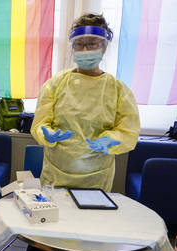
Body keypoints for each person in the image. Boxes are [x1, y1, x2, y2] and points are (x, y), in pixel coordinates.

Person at [30, 13, 140, 192]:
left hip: (96, 178)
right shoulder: (55, 84)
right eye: (80, 44)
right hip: (56, 175)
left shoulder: (118, 90)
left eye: (92, 43)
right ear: (73, 47)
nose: (85, 49)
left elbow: (129, 131)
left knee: (92, 218)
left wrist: (111, 140)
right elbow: (40, 124)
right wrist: (47, 135)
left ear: (103, 48)